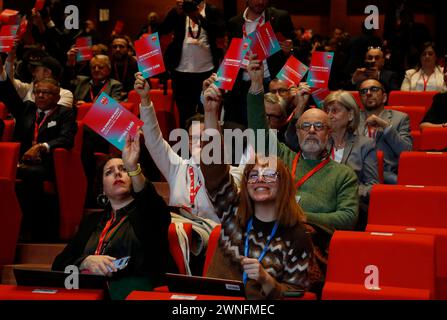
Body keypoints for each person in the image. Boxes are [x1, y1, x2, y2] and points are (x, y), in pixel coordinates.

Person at [200, 86, 315, 299]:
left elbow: (296, 294)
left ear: (284, 185)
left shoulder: (296, 236)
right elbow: (213, 169)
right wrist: (210, 114)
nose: (260, 179)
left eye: (269, 175)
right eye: (253, 175)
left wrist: (266, 280)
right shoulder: (232, 212)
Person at [52, 131, 174, 300]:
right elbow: (59, 264)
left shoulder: (147, 213)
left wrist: (132, 166)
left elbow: (150, 201)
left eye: (123, 169)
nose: (117, 173)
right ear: (102, 188)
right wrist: (85, 262)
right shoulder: (91, 221)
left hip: (136, 294)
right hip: (90, 293)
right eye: (109, 172)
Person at [246, 55, 359, 231]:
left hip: (313, 241)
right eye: (305, 126)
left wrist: (302, 216)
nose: (312, 130)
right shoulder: (281, 157)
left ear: (329, 134)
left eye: (319, 126)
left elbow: (348, 217)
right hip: (274, 235)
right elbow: (258, 129)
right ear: (297, 132)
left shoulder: (344, 175)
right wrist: (256, 84)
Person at [134, 72, 243, 223]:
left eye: (204, 137)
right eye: (193, 138)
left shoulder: (234, 173)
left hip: (214, 240)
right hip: (178, 239)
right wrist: (145, 100)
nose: (199, 142)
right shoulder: (178, 168)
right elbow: (154, 141)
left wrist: (211, 111)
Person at [0, 56, 77, 241]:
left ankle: (30, 230)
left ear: (57, 97)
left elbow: (66, 139)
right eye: (38, 92)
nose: (41, 96)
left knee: (30, 174)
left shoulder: (64, 114)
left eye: (46, 93)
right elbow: (7, 92)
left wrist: (42, 147)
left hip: (48, 164)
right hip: (21, 162)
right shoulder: (26, 109)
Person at [223, 0, 301, 126]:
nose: (260, 2)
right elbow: (231, 55)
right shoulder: (234, 23)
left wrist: (290, 49)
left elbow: (298, 49)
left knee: (270, 127)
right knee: (246, 125)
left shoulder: (279, 18)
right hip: (243, 85)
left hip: (271, 84)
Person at [158, 0, 226, 128]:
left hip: (207, 72)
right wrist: (175, 12)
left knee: (207, 112)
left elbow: (220, 31)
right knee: (184, 114)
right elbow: (163, 30)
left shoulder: (211, 11)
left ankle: (206, 145)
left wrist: (198, 15)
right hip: (181, 72)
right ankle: (186, 145)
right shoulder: (178, 11)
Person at [323, 91, 379, 229]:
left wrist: (346, 193)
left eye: (335, 111)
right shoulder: (319, 142)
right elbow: (292, 140)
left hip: (350, 207)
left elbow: (372, 186)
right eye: (327, 111)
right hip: (320, 204)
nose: (329, 115)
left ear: (350, 115)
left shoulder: (365, 145)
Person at [358, 78, 412, 184]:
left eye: (374, 89)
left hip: (385, 173)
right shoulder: (352, 119)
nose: (368, 93)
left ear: (384, 97)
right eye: (363, 91)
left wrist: (385, 126)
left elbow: (407, 151)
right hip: (357, 171)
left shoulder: (400, 118)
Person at [2, 45, 74, 108]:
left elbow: (56, 116)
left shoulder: (65, 94)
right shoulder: (28, 89)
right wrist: (10, 57)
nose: (33, 74)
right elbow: (8, 83)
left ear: (47, 73)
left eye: (36, 70)